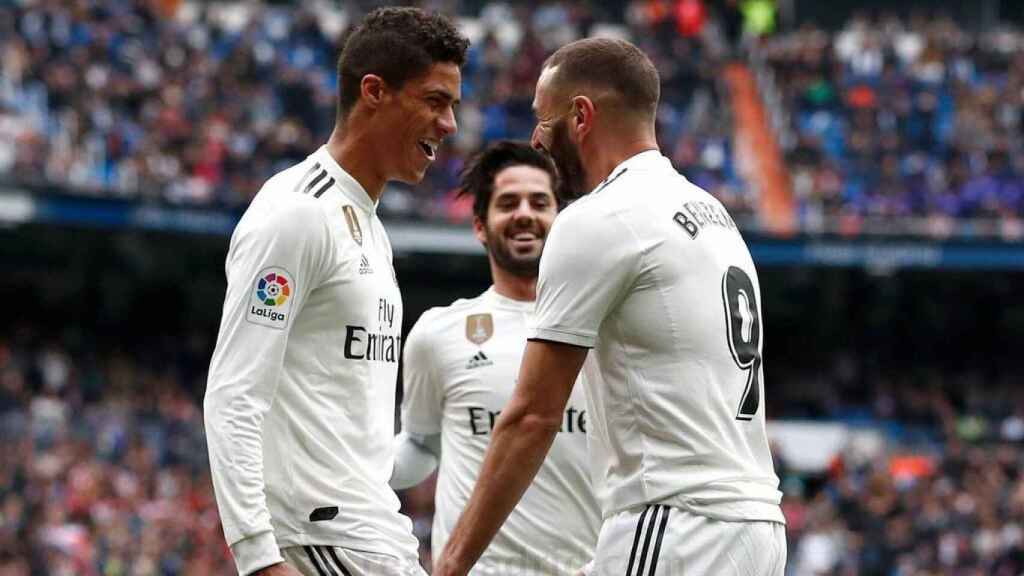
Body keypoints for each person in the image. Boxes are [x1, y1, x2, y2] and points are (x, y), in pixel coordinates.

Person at [435, 38, 786, 576]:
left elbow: (532, 415)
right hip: (753, 522)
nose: (535, 139)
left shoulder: (602, 217)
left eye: (541, 119)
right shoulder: (711, 212)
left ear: (581, 115)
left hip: (675, 521)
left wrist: (452, 563)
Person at [203, 8, 468, 576]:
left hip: (372, 535)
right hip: (320, 539)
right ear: (374, 91)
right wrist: (258, 556)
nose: (449, 125)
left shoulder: (369, 226)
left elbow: (348, 437)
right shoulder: (298, 212)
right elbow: (233, 393)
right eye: (435, 100)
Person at [392, 140, 601, 575]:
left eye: (540, 202)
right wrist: (345, 472)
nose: (524, 212)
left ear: (559, 219)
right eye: (508, 203)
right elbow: (420, 445)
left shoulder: (608, 332)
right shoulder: (438, 332)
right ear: (481, 227)